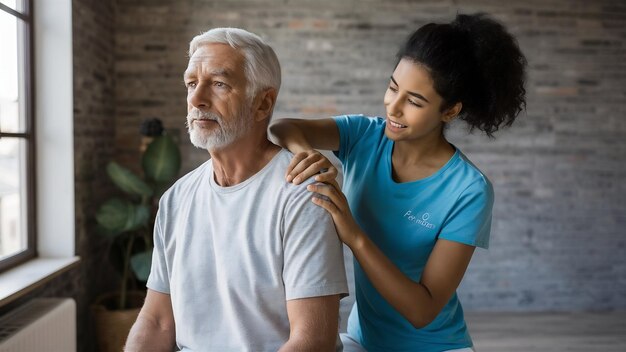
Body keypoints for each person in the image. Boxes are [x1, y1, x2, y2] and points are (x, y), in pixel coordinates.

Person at [270, 13, 527, 352]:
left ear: (449, 111)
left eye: (415, 101)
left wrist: (354, 236)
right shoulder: (363, 136)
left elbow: (423, 310)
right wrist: (308, 155)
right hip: (362, 341)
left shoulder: (469, 190)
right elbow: (283, 128)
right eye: (393, 87)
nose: (394, 106)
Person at [125, 27, 349, 352]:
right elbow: (158, 321)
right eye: (191, 83)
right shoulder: (176, 199)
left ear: (262, 104)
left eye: (218, 84)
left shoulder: (302, 194)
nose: (196, 99)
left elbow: (313, 341)